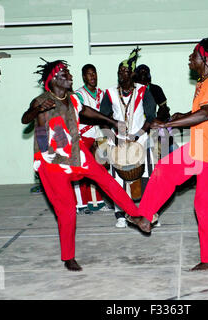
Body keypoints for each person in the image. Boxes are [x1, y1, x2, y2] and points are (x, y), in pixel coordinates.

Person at [127, 38, 208, 271]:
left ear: (205, 58)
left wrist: (172, 126)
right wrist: (178, 116)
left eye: (193, 55)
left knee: (206, 206)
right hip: (202, 147)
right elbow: (201, 112)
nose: (190, 58)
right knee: (166, 169)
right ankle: (145, 216)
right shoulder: (205, 83)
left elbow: (204, 115)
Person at [21, 58, 139, 271]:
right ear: (54, 78)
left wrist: (111, 122)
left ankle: (135, 215)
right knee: (67, 210)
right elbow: (25, 119)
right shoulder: (42, 100)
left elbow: (86, 112)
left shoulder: (73, 99)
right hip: (53, 161)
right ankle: (68, 257)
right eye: (65, 73)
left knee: (107, 179)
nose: (70, 75)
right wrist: (35, 110)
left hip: (76, 152)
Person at [99, 48, 157, 228]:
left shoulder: (143, 91)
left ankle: (150, 213)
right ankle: (120, 214)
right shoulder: (109, 93)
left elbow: (151, 116)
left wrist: (136, 136)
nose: (121, 74)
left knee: (149, 175)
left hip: (140, 138)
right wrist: (114, 138)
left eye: (125, 71)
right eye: (119, 71)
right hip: (117, 140)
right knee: (117, 179)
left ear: (132, 73)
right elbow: (103, 119)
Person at [73, 64, 108, 214]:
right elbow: (80, 115)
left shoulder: (102, 93)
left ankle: (97, 203)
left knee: (99, 170)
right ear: (83, 77)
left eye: (94, 73)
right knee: (81, 171)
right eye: (89, 74)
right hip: (83, 136)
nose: (92, 77)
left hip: (98, 136)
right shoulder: (78, 94)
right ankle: (81, 204)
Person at [134, 64, 177, 159]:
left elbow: (164, 108)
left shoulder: (155, 89)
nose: (143, 75)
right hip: (137, 127)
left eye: (145, 73)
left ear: (149, 76)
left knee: (173, 149)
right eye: (140, 73)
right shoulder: (132, 91)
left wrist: (157, 120)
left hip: (153, 126)